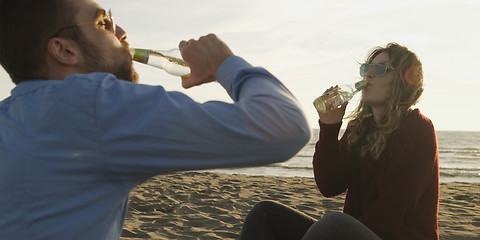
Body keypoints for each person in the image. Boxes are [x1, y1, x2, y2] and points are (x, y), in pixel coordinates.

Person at [0, 0, 311, 239]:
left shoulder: (11, 115)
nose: (121, 35)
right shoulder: (92, 105)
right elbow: (284, 127)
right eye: (103, 23)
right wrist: (225, 64)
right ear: (64, 50)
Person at [239, 43, 439, 240]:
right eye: (366, 69)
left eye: (380, 69)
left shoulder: (417, 129)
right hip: (356, 232)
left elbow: (389, 214)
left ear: (404, 81)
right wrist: (329, 126)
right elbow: (329, 185)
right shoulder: (359, 128)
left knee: (335, 223)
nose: (368, 75)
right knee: (265, 213)